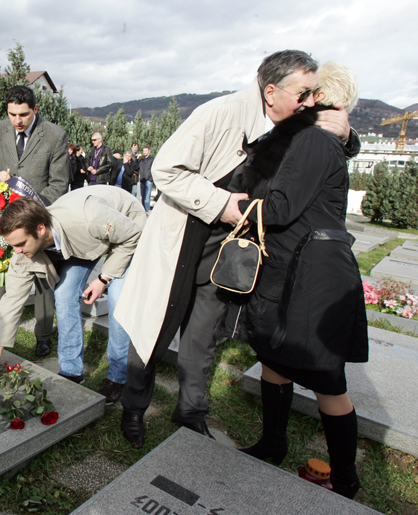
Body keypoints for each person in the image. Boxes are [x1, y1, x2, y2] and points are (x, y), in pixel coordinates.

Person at [114, 50, 360, 449]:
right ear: (270, 91)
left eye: (314, 94)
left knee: (204, 332)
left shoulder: (295, 123)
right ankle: (134, 407)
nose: (311, 103)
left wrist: (349, 137)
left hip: (229, 245)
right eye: (304, 94)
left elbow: (322, 154)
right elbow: (165, 169)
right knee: (155, 326)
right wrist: (221, 204)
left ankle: (191, 411)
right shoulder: (220, 113)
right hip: (185, 233)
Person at [237, 60, 367, 500]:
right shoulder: (311, 136)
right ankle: (273, 443)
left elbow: (280, 207)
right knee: (274, 356)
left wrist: (243, 202)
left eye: (310, 94)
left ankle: (345, 479)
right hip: (294, 266)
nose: (303, 100)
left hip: (312, 276)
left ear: (323, 102)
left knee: (328, 377)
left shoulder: (314, 138)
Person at [0, 185, 146, 405]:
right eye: (13, 245)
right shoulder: (24, 252)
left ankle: (118, 377)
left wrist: (104, 278)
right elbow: (12, 301)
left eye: (20, 244)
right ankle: (72, 370)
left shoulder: (89, 218)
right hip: (84, 242)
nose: (16, 251)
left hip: (126, 229)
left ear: (40, 229)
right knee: (64, 294)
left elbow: (132, 234)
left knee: (118, 299)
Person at [0, 85, 69, 357]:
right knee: (2, 275)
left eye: (24, 115)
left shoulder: (54, 135)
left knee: (41, 280)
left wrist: (33, 208)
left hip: (37, 220)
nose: (17, 121)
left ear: (35, 109)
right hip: (4, 220)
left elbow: (59, 184)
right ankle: (0, 328)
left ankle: (43, 336)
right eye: (12, 114)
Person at [138, 146, 154, 211]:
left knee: (147, 198)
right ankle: (143, 211)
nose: (144, 152)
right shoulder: (141, 160)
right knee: (142, 197)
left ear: (149, 151)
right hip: (142, 179)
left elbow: (153, 169)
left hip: (148, 180)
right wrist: (137, 159)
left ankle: (147, 211)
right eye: (144, 151)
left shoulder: (152, 159)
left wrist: (150, 178)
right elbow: (136, 167)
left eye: (146, 151)